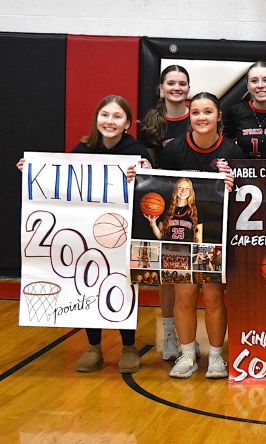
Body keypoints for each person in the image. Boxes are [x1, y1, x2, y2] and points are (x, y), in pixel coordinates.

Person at [18, 95, 150, 373]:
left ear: (127, 123)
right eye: (105, 115)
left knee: (123, 284)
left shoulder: (138, 152)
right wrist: (32, 170)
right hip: (86, 233)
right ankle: (94, 347)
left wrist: (146, 172)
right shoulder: (82, 149)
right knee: (88, 283)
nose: (110, 121)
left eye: (117, 116)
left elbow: (151, 190)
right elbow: (61, 184)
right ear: (97, 119)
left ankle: (128, 346)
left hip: (122, 233)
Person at [159, 92, 242, 379]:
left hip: (216, 235)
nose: (202, 117)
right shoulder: (174, 149)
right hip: (180, 236)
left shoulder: (232, 152)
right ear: (189, 116)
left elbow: (244, 197)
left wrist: (232, 183)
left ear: (219, 116)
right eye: (196, 112)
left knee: (213, 296)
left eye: (208, 112)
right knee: (184, 295)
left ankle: (216, 356)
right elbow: (160, 189)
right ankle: (187, 355)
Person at [138, 64, 191, 360]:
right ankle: (169, 332)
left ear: (188, 88)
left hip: (195, 201)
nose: (176, 88)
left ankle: (189, 335)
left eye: (182, 83)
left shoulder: (198, 116)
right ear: (161, 88)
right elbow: (146, 164)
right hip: (163, 203)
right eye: (171, 83)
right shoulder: (151, 122)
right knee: (168, 274)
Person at [222, 61, 266, 158]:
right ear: (247, 85)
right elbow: (224, 147)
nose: (260, 85)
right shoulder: (235, 112)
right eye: (254, 81)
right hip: (244, 168)